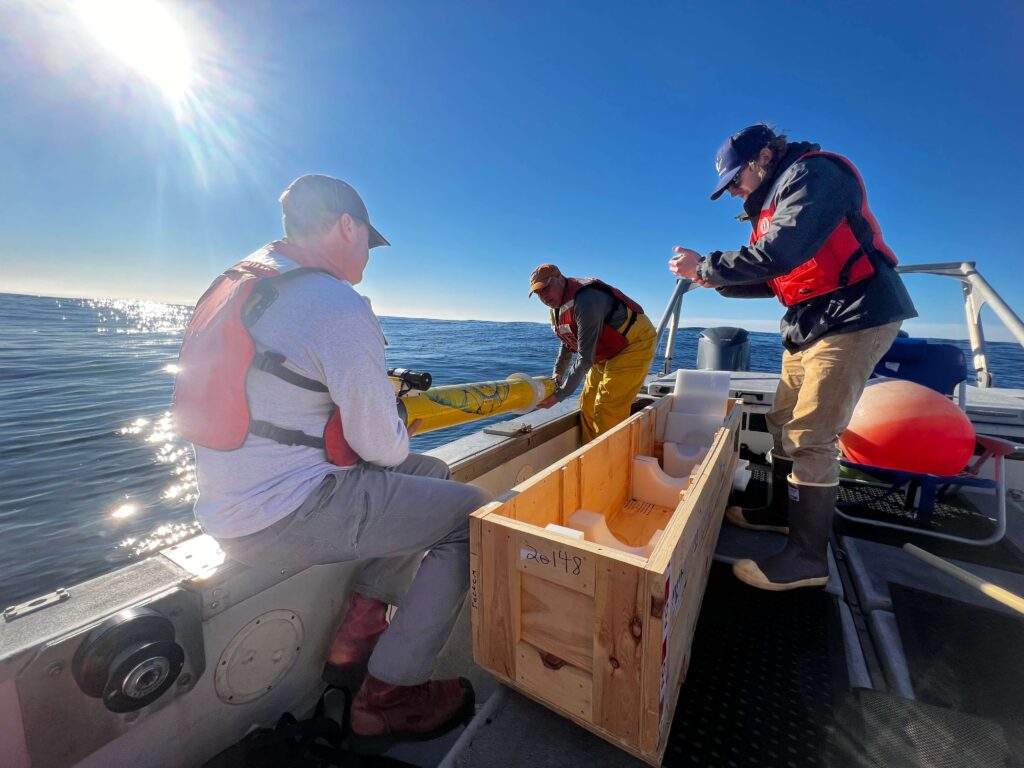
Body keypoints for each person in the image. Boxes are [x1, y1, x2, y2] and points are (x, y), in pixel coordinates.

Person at [172, 174, 491, 750]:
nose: (369, 255)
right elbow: (386, 448)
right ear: (348, 226)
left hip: (230, 506)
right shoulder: (332, 303)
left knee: (434, 475)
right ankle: (388, 697)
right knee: (472, 521)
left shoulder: (248, 283)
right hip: (284, 513)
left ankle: (361, 627)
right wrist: (392, 417)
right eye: (370, 241)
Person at [669, 124, 917, 591]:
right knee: (783, 420)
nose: (734, 192)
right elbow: (774, 280)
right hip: (811, 322)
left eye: (736, 179)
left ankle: (807, 558)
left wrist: (704, 266)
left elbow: (779, 254)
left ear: (764, 155)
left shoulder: (816, 175)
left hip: (855, 313)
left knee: (812, 434)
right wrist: (713, 280)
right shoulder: (773, 200)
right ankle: (781, 514)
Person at [529, 263, 657, 443]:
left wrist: (559, 396)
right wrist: (558, 372)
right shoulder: (557, 308)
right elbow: (568, 341)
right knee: (587, 403)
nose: (543, 296)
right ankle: (590, 452)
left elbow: (585, 359)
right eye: (538, 292)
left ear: (560, 278)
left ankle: (610, 462)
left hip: (634, 343)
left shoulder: (586, 300)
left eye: (546, 288)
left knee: (607, 406)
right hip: (605, 350)